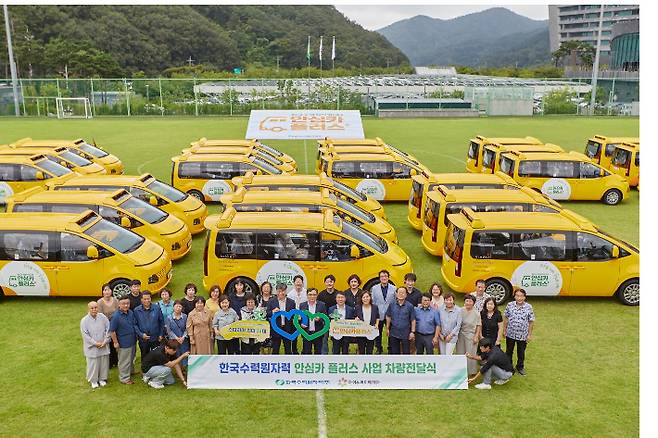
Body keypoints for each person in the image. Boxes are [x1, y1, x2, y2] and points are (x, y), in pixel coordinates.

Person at [503, 288, 535, 376]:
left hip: (522, 335)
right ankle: (509, 367)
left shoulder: (529, 307)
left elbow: (531, 321)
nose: (519, 298)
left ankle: (520, 367)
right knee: (509, 351)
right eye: (517, 296)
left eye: (521, 296)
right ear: (514, 296)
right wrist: (504, 330)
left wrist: (529, 335)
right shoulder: (510, 305)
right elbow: (506, 318)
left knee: (521, 352)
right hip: (510, 333)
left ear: (524, 297)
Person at [80, 301, 111, 389]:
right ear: (88, 309)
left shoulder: (103, 317)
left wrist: (105, 341)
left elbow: (108, 329)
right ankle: (93, 380)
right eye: (92, 308)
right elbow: (85, 335)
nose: (94, 309)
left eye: (96, 307)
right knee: (93, 364)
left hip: (103, 344)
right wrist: (95, 343)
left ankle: (102, 379)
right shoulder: (84, 320)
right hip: (92, 347)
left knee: (103, 363)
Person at [110, 296, 138, 385]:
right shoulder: (116, 316)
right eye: (123, 304)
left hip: (132, 340)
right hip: (123, 343)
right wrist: (115, 342)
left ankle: (131, 371)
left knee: (131, 358)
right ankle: (124, 378)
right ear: (119, 304)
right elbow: (112, 331)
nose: (126, 305)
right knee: (124, 361)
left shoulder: (130, 312)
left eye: (127, 303)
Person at [133, 291, 165, 361]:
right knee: (144, 356)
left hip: (155, 338)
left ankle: (156, 370)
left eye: (148, 298)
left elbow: (161, 322)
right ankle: (145, 371)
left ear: (151, 299)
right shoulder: (136, 310)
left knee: (156, 355)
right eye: (145, 299)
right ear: (141, 299)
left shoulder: (157, 308)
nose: (147, 300)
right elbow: (134, 325)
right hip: (143, 339)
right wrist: (141, 334)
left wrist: (160, 334)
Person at [266, 283, 296, 354]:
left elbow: (293, 316)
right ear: (276, 291)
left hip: (287, 329)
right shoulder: (271, 301)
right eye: (279, 291)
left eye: (283, 291)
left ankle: (288, 363)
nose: (281, 293)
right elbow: (267, 314)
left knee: (288, 349)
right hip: (276, 329)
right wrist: (273, 312)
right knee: (275, 349)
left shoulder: (291, 302)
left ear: (286, 291)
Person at [456, 294, 482, 376]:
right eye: (467, 301)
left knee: (471, 353)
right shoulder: (460, 310)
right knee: (460, 352)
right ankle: (460, 370)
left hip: (471, 335)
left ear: (473, 303)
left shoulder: (476, 313)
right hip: (460, 334)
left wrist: (476, 336)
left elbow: (479, 325)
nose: (468, 303)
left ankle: (471, 371)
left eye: (470, 301)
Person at [385, 287, 415, 354]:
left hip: (405, 333)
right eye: (399, 292)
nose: (401, 294)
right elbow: (388, 316)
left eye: (403, 293)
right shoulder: (392, 304)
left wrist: (412, 332)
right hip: (394, 332)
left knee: (406, 352)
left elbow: (413, 320)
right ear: (396, 294)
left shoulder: (410, 306)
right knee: (395, 352)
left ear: (406, 295)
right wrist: (387, 328)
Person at [371, 269, 395, 354]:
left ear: (388, 277)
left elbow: (395, 301)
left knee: (391, 333)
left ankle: (390, 348)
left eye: (385, 276)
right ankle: (378, 348)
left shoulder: (394, 288)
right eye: (382, 276)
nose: (384, 278)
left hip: (390, 315)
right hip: (379, 314)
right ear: (379, 278)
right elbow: (373, 302)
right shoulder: (374, 288)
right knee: (378, 332)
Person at [299, 288, 327, 355]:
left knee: (318, 352)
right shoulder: (302, 305)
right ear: (307, 295)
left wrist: (320, 319)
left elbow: (325, 318)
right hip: (306, 333)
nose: (312, 296)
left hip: (318, 333)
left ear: (317, 295)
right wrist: (301, 324)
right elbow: (300, 318)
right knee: (307, 352)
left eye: (314, 295)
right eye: (310, 294)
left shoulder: (322, 305)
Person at [97, 283, 119, 368]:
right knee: (108, 344)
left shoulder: (115, 300)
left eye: (109, 289)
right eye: (105, 290)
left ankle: (116, 361)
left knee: (115, 343)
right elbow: (100, 316)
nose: (107, 292)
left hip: (115, 324)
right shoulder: (100, 302)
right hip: (105, 326)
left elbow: (118, 313)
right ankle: (109, 363)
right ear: (102, 292)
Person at [165, 300, 190, 367]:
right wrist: (176, 338)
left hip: (183, 340)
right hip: (174, 340)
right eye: (176, 306)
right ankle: (178, 368)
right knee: (176, 354)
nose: (178, 308)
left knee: (184, 353)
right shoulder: (169, 317)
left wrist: (183, 337)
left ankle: (185, 368)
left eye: (180, 306)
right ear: (173, 307)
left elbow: (187, 328)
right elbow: (169, 330)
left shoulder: (185, 316)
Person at [318, 274, 338, 354]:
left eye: (331, 282)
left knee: (336, 339)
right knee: (324, 339)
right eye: (327, 282)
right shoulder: (321, 295)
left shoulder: (338, 294)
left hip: (335, 320)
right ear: (325, 283)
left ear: (334, 283)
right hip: (324, 320)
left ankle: (335, 354)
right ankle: (324, 355)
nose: (329, 283)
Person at [355, 290, 379, 355]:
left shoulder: (375, 307)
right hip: (361, 332)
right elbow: (354, 317)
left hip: (371, 331)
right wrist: (356, 319)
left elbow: (377, 317)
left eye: (367, 297)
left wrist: (376, 324)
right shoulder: (358, 307)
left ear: (370, 297)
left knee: (370, 350)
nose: (365, 299)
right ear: (361, 299)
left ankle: (368, 363)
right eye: (363, 297)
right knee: (361, 350)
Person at [257, 281, 273, 352]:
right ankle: (262, 354)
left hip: (271, 322)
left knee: (270, 340)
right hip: (260, 322)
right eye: (264, 287)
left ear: (270, 289)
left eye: (268, 287)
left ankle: (269, 354)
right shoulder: (258, 298)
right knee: (261, 339)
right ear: (261, 288)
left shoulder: (273, 298)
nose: (266, 289)